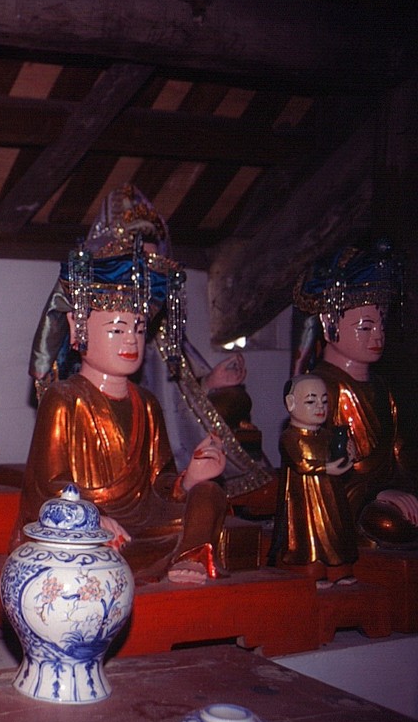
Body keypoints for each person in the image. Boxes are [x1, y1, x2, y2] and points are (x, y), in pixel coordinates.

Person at [18, 241, 229, 585]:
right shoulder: (64, 398)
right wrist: (92, 515)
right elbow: (48, 485)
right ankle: (163, 554)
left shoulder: (146, 403)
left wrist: (190, 478)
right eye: (116, 330)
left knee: (211, 494)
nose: (131, 340)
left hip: (144, 520)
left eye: (139, 330)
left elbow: (159, 483)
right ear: (77, 329)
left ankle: (189, 554)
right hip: (92, 524)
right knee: (90, 542)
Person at [81, 184, 273, 499]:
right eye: (142, 265)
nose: (149, 276)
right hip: (109, 439)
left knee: (233, 400)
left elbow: (175, 397)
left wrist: (210, 382)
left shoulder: (160, 330)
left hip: (162, 446)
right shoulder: (94, 320)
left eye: (156, 265)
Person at [294, 238, 417, 547]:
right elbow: (321, 466)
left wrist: (405, 489)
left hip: (387, 494)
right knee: (388, 524)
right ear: (328, 325)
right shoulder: (318, 388)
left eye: (382, 327)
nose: (378, 337)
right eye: (365, 327)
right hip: (347, 501)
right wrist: (377, 493)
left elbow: (399, 451)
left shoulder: (381, 387)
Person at [274, 374, 357, 587]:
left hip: (331, 495)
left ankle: (338, 568)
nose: (320, 406)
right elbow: (300, 463)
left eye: (324, 401)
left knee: (336, 530)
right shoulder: (290, 437)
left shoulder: (328, 436)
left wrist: (349, 455)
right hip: (304, 496)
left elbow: (341, 461)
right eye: (311, 401)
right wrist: (326, 468)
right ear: (291, 403)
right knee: (308, 533)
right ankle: (312, 568)